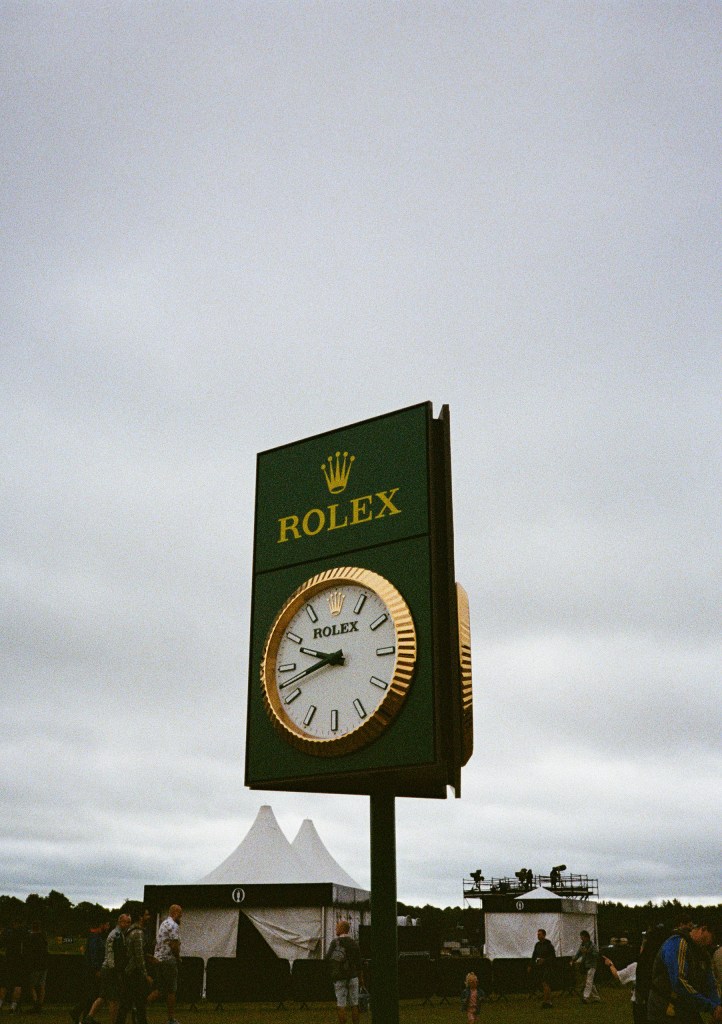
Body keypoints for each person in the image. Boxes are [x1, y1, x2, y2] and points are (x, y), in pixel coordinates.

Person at [647, 920, 721, 1023]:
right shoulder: (678, 943)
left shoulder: (703, 954)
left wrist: (718, 1006)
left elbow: (710, 984)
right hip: (665, 1010)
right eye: (713, 938)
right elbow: (679, 982)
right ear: (703, 929)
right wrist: (711, 1007)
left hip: (684, 1008)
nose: (712, 945)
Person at [84, 912, 131, 1024]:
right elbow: (113, 955)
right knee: (114, 999)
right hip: (111, 970)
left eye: (129, 922)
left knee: (103, 995)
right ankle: (112, 1021)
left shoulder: (115, 933)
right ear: (120, 922)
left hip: (107, 969)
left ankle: (88, 1018)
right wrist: (115, 970)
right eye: (126, 922)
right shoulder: (118, 935)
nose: (128, 924)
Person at [72, 918, 110, 1024]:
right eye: (106, 924)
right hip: (93, 970)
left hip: (90, 969)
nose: (108, 927)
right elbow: (94, 955)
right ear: (101, 925)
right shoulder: (95, 937)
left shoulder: (93, 937)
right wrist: (96, 969)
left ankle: (85, 1016)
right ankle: (80, 1013)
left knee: (92, 994)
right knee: (93, 994)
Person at [326, 919, 363, 1024]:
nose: (336, 929)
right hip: (353, 977)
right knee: (354, 1004)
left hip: (339, 977)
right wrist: (361, 978)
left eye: (337, 927)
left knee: (341, 1004)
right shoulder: (354, 943)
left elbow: (328, 958)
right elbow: (359, 964)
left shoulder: (335, 942)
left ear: (342, 929)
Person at [154, 904, 182, 1024]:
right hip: (168, 960)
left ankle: (140, 1006)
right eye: (180, 913)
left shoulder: (164, 923)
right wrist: (178, 958)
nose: (181, 916)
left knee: (160, 989)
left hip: (159, 959)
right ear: (174, 912)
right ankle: (170, 1019)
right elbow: (174, 945)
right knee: (171, 990)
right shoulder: (173, 925)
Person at [124, 908, 153, 1024]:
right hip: (134, 972)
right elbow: (139, 956)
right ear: (140, 917)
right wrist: (146, 975)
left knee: (128, 1003)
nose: (149, 917)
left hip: (130, 971)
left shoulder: (131, 930)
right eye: (146, 915)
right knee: (139, 1002)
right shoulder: (138, 933)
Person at [0, 918, 29, 1013]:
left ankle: (0, 1003)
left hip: (8, 960)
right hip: (20, 962)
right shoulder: (24, 934)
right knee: (17, 985)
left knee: (4, 984)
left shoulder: (8, 933)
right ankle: (13, 1006)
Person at [571, 929, 601, 1004]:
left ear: (587, 937)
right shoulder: (582, 945)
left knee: (588, 981)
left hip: (592, 965)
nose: (581, 939)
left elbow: (597, 955)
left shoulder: (592, 945)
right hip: (585, 965)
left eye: (582, 937)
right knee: (590, 982)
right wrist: (573, 960)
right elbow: (578, 954)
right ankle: (596, 997)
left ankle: (585, 997)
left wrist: (588, 952)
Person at [528, 927, 556, 1008]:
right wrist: (530, 965)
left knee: (545, 983)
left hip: (548, 967)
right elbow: (534, 955)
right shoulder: (537, 945)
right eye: (537, 934)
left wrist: (544, 960)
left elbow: (553, 957)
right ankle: (548, 1001)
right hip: (540, 967)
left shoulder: (549, 945)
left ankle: (546, 1001)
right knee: (544, 984)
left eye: (539, 934)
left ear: (544, 935)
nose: (538, 936)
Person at [26, 921, 50, 1013]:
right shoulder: (43, 937)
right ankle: (40, 1004)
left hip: (35, 965)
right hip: (44, 965)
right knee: (42, 985)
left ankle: (36, 1004)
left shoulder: (31, 938)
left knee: (32, 985)